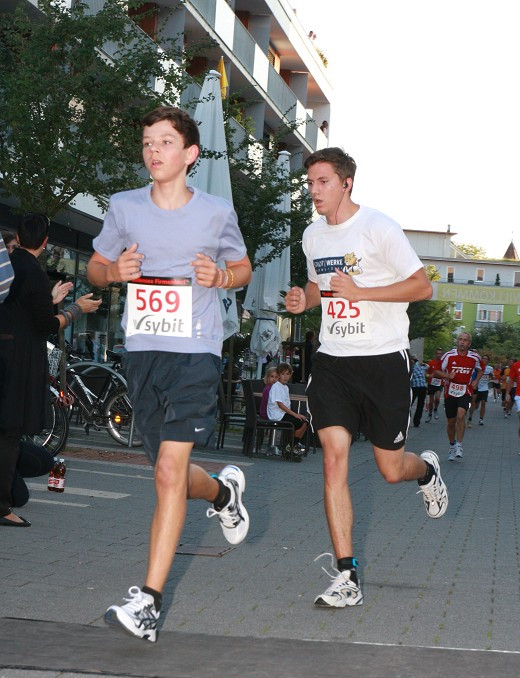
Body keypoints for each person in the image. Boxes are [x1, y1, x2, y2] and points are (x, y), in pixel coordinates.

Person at [87, 105, 252, 641]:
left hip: (196, 352)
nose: (152, 151)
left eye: (163, 142)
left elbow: (243, 267)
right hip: (143, 353)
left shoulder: (216, 213)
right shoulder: (125, 207)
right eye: (146, 142)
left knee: (165, 477)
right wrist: (113, 271)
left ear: (189, 155)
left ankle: (149, 602)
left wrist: (222, 275)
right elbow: (95, 265)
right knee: (171, 474)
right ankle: (224, 494)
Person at [285, 146, 448, 608]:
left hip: (382, 361)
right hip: (334, 359)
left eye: (322, 182)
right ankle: (347, 576)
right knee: (334, 459)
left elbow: (422, 285)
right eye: (310, 183)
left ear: (346, 183)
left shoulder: (379, 227)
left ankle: (427, 470)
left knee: (390, 469)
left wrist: (364, 291)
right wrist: (305, 300)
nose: (313, 191)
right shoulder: (313, 236)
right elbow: (322, 285)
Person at [0, 213, 100, 527]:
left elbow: (20, 311)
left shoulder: (8, 266)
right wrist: (74, 309)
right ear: (45, 242)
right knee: (10, 433)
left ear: (18, 235)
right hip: (18, 361)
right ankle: (2, 507)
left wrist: (51, 299)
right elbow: (43, 324)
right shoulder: (32, 271)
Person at [431, 332, 480, 460]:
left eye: (465, 340)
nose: (462, 342)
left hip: (466, 391)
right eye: (460, 339)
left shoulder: (474, 357)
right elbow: (436, 371)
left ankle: (459, 445)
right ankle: (452, 446)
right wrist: (447, 376)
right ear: (457, 341)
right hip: (450, 392)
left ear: (469, 343)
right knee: (451, 422)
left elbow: (482, 368)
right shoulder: (449, 355)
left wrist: (476, 381)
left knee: (461, 415)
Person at [266, 361, 308, 457]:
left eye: (288, 374)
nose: (285, 376)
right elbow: (280, 405)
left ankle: (291, 446)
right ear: (278, 375)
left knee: (305, 421)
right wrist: (295, 414)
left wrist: (296, 415)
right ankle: (290, 448)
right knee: (299, 422)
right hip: (277, 415)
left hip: (282, 413)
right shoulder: (276, 386)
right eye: (283, 374)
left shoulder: (285, 387)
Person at [468, 353, 493, 426]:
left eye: (486, 359)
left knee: (483, 403)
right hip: (476, 387)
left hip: (484, 388)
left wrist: (491, 377)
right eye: (483, 358)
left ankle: (481, 419)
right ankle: (470, 416)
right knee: (475, 405)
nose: (485, 360)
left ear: (488, 361)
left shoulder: (490, 368)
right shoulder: (477, 367)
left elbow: (491, 376)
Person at [424, 347, 444, 421]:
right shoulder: (431, 362)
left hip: (439, 383)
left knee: (437, 398)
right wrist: (428, 375)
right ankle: (430, 414)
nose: (439, 355)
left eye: (440, 354)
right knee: (431, 401)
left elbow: (446, 372)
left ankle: (435, 409)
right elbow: (425, 371)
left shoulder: (443, 363)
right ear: (435, 354)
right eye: (437, 353)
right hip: (431, 383)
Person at [409, 355, 428, 427]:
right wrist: (422, 364)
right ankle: (416, 422)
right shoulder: (421, 367)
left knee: (410, 405)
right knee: (420, 405)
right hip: (422, 387)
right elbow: (427, 366)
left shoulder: (411, 368)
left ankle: (408, 421)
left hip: (415, 388)